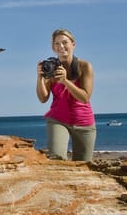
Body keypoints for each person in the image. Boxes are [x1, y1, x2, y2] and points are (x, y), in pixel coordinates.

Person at [36, 28, 96, 161]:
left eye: (65, 42)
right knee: (56, 159)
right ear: (53, 47)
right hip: (58, 119)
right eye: (57, 44)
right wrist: (40, 77)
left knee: (84, 166)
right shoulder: (50, 67)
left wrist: (65, 81)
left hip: (83, 121)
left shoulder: (84, 66)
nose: (61, 47)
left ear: (73, 44)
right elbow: (43, 98)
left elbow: (85, 98)